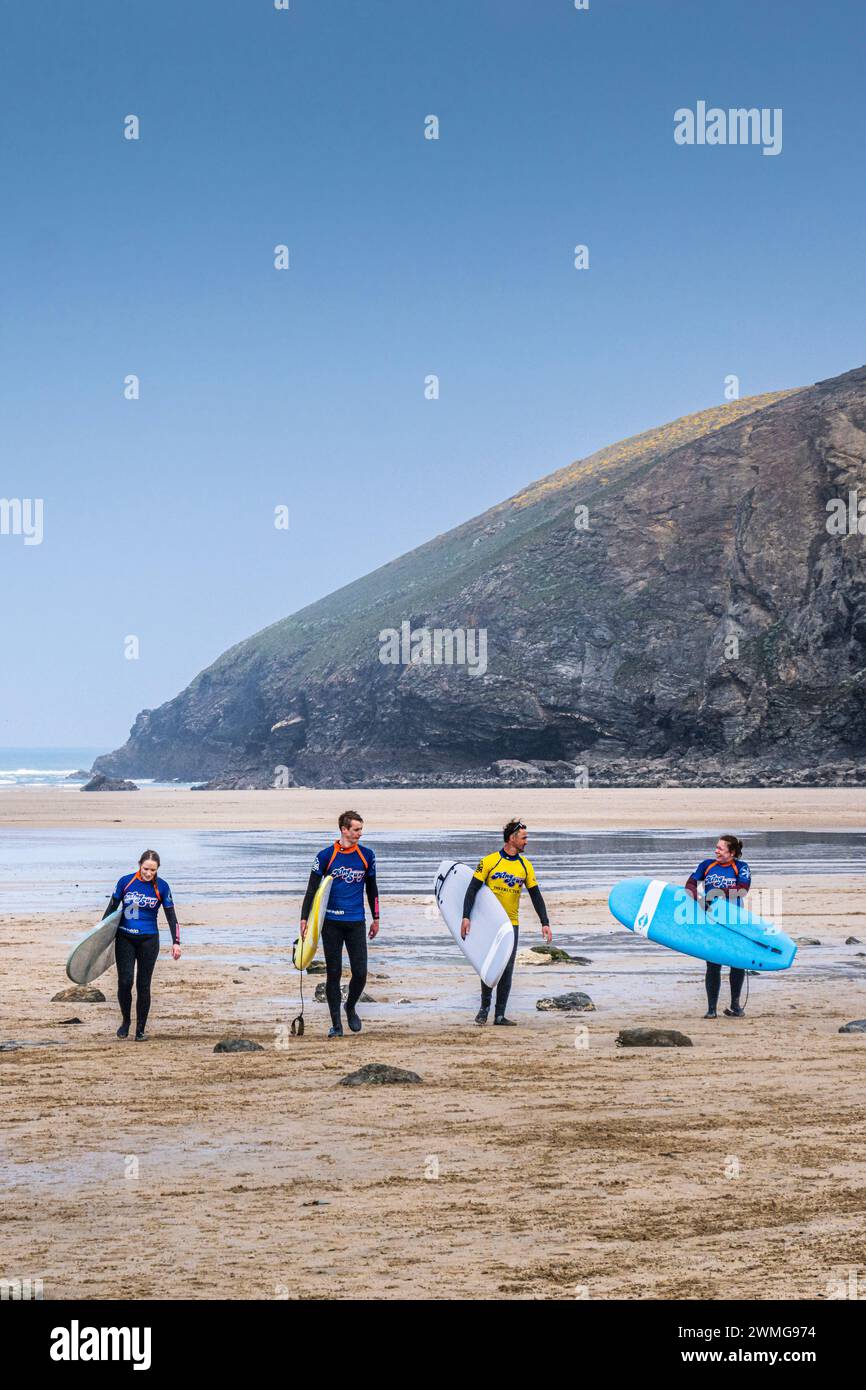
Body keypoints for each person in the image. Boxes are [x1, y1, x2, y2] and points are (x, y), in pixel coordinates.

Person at [460, 818, 552, 1026]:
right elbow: (472, 889)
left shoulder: (525, 866)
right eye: (524, 838)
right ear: (512, 838)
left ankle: (499, 1015)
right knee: (489, 965)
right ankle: (483, 1010)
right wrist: (466, 916)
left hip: (511, 924)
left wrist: (544, 922)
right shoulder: (489, 861)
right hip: (489, 923)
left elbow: (536, 896)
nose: (527, 841)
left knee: (507, 968)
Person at [300, 811, 379, 1038]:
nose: (359, 834)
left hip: (356, 921)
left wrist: (376, 918)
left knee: (360, 972)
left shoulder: (367, 856)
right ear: (344, 829)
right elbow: (313, 890)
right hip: (331, 923)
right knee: (333, 973)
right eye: (356, 830)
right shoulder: (325, 856)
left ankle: (351, 1006)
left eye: (361, 830)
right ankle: (336, 1024)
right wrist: (305, 919)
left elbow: (372, 888)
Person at [103, 850, 181, 1040]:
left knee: (143, 985)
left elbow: (171, 916)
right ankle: (126, 1021)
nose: (148, 873)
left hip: (149, 940)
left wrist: (176, 942)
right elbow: (112, 908)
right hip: (125, 938)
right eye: (146, 869)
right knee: (125, 982)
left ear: (157, 869)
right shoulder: (125, 882)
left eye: (153, 870)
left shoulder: (162, 887)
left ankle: (140, 1030)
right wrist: (100, 934)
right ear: (140, 865)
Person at [685, 834, 751, 1019]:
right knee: (713, 964)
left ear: (732, 853)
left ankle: (735, 1005)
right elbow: (691, 883)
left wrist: (715, 893)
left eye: (720, 849)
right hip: (712, 922)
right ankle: (711, 1008)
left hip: (735, 922)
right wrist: (694, 896)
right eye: (716, 847)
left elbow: (743, 889)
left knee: (737, 963)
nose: (716, 851)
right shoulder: (707, 865)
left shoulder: (741, 867)